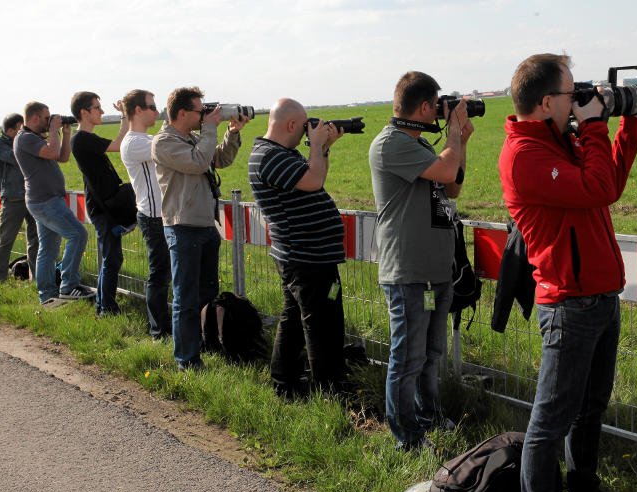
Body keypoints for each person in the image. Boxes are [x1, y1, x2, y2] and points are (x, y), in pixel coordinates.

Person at [497, 53, 637, 492]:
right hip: (568, 305)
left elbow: (607, 183)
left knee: (590, 410)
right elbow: (598, 188)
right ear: (546, 102)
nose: (579, 99)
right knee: (550, 422)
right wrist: (595, 125)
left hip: (599, 297)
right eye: (571, 92)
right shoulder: (525, 156)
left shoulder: (559, 141)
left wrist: (631, 128)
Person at [369, 71, 474, 450]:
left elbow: (452, 185)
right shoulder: (390, 143)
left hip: (435, 270)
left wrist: (460, 141)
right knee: (408, 358)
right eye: (438, 105)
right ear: (427, 106)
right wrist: (453, 134)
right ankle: (408, 437)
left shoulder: (422, 145)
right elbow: (446, 170)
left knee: (431, 355)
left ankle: (429, 416)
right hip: (408, 272)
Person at [248, 98, 346, 398]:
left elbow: (315, 177)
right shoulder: (269, 156)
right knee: (323, 324)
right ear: (291, 124)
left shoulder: (280, 154)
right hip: (306, 257)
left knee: (294, 320)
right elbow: (314, 180)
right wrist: (315, 145)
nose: (307, 131)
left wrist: (323, 148)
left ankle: (284, 382)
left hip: (309, 255)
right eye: (304, 127)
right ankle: (329, 391)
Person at [152, 87, 249, 371]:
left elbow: (219, 159)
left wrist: (231, 132)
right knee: (186, 298)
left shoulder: (192, 138)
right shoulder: (163, 142)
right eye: (199, 111)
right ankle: (187, 359)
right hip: (183, 227)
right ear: (182, 113)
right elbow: (197, 163)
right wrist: (209, 128)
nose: (203, 115)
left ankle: (205, 344)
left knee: (207, 293)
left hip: (205, 225)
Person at [14, 101, 93, 308]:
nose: (50, 121)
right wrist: (53, 131)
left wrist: (65, 134)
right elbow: (52, 153)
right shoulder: (25, 138)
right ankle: (68, 286)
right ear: (34, 118)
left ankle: (48, 296)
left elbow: (63, 157)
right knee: (78, 235)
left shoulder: (35, 139)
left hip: (46, 200)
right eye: (47, 118)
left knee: (48, 249)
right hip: (45, 201)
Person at [70, 91, 129, 316]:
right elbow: (118, 145)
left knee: (112, 258)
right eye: (97, 107)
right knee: (111, 258)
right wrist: (125, 116)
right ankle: (106, 308)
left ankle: (103, 305)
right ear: (84, 112)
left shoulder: (84, 139)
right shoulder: (82, 139)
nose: (102, 112)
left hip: (103, 206)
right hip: (102, 208)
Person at [119, 89, 171, 339]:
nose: (156, 111)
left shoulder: (145, 139)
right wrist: (174, 122)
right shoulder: (134, 143)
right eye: (152, 106)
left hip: (161, 215)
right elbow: (166, 144)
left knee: (166, 273)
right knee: (159, 274)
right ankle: (158, 330)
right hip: (153, 217)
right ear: (138, 110)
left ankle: (165, 324)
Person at [0, 113, 38, 282]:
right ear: (10, 131)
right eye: (20, 128)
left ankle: (35, 277)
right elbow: (15, 157)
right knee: (6, 240)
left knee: (36, 240)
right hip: (13, 199)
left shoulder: (23, 142)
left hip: (32, 197)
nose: (24, 131)